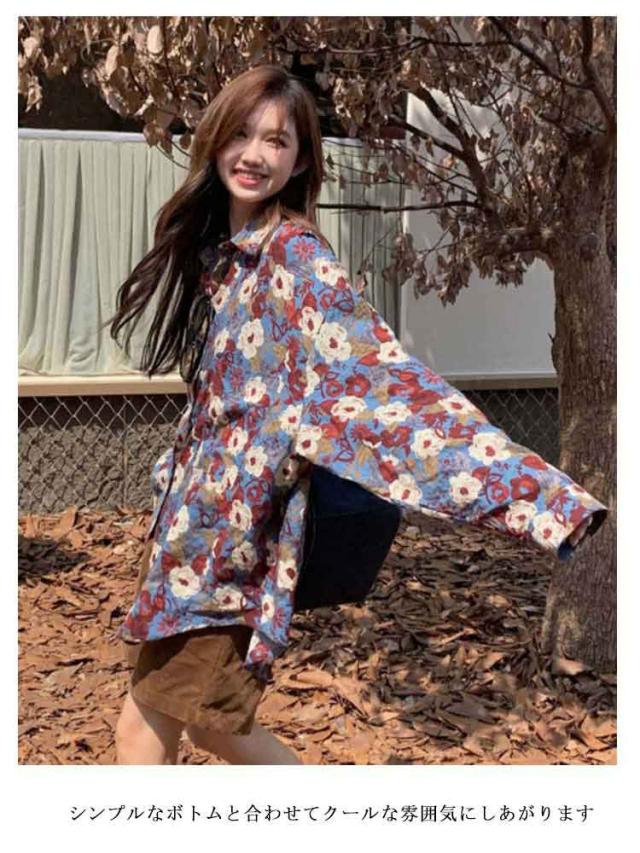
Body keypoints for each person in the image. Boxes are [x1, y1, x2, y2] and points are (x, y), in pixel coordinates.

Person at [107, 65, 606, 765]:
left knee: (142, 730)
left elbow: (384, 384)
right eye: (242, 133)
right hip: (190, 544)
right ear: (215, 138)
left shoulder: (295, 258)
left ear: (300, 160)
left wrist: (534, 495)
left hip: (229, 557)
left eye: (276, 141)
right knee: (215, 728)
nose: (254, 154)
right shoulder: (228, 261)